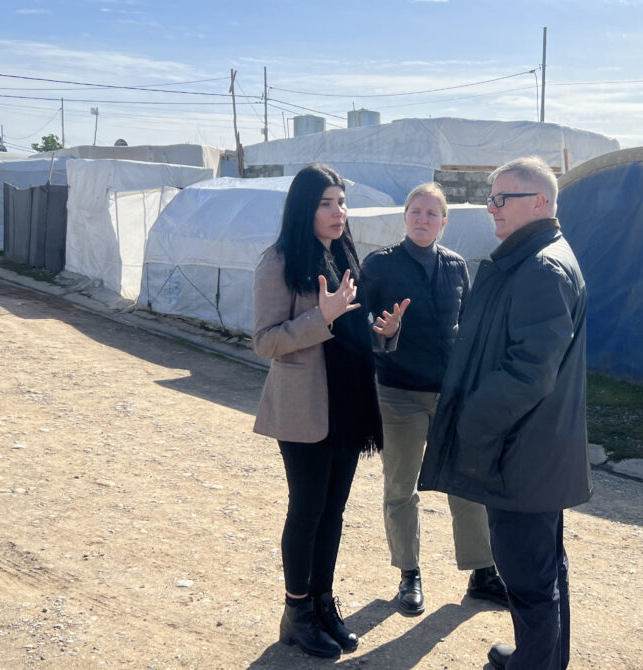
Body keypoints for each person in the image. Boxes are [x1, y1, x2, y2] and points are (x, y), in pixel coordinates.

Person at [418, 157, 592, 669]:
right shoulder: (533, 256)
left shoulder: (542, 267)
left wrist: (472, 418)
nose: (490, 207)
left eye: (501, 198)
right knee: (541, 567)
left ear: (538, 202)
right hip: (531, 446)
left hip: (522, 450)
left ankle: (537, 664)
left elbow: (529, 372)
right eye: (490, 197)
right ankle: (542, 657)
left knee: (528, 575)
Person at [252, 163, 408, 658]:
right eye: (326, 202)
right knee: (308, 510)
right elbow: (265, 341)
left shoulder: (344, 253)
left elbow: (352, 331)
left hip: (348, 402)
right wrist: (321, 317)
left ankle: (322, 602)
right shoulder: (277, 262)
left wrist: (383, 334)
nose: (338, 212)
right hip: (303, 408)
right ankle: (296, 612)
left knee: (334, 512)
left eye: (341, 201)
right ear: (304, 207)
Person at [361, 183, 507, 617]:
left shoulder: (457, 266)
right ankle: (409, 573)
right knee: (401, 487)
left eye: (432, 213)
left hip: (451, 395)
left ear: (445, 222)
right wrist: (380, 330)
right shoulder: (380, 265)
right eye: (416, 211)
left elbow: (466, 328)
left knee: (466, 484)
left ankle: (482, 572)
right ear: (404, 217)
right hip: (399, 393)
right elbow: (360, 321)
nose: (423, 219)